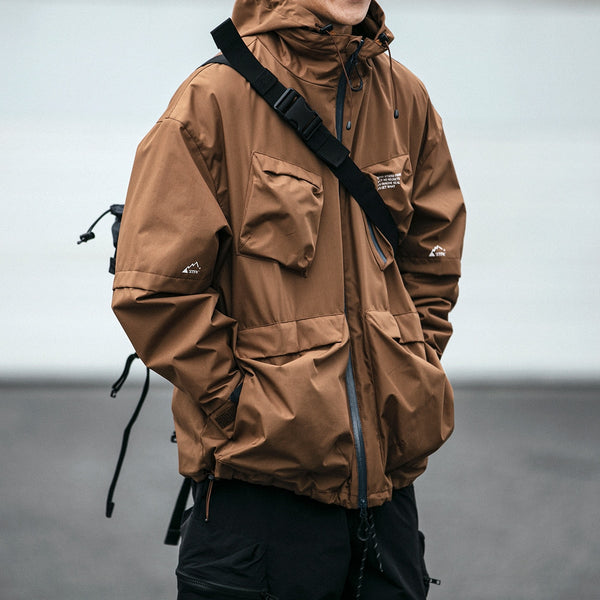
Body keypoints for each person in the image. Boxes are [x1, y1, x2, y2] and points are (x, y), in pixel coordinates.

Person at [112, 0, 466, 597]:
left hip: (386, 497)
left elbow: (434, 253)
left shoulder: (405, 96)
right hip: (258, 498)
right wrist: (239, 406)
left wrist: (414, 359)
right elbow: (157, 288)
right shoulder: (213, 99)